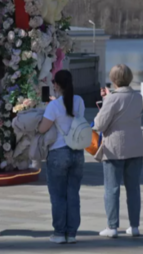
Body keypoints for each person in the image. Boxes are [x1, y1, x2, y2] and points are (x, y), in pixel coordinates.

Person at [94, 64, 143, 239]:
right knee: (133, 189)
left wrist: (106, 102)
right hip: (136, 146)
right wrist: (110, 97)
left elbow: (100, 124)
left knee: (112, 188)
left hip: (114, 148)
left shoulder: (112, 99)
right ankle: (134, 226)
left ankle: (112, 226)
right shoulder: (138, 97)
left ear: (113, 79)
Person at [38, 70, 85, 245]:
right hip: (77, 152)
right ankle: (71, 233)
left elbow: (43, 128)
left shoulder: (54, 106)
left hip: (59, 152)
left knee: (57, 195)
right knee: (73, 193)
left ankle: (59, 232)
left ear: (56, 85)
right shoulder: (79, 101)